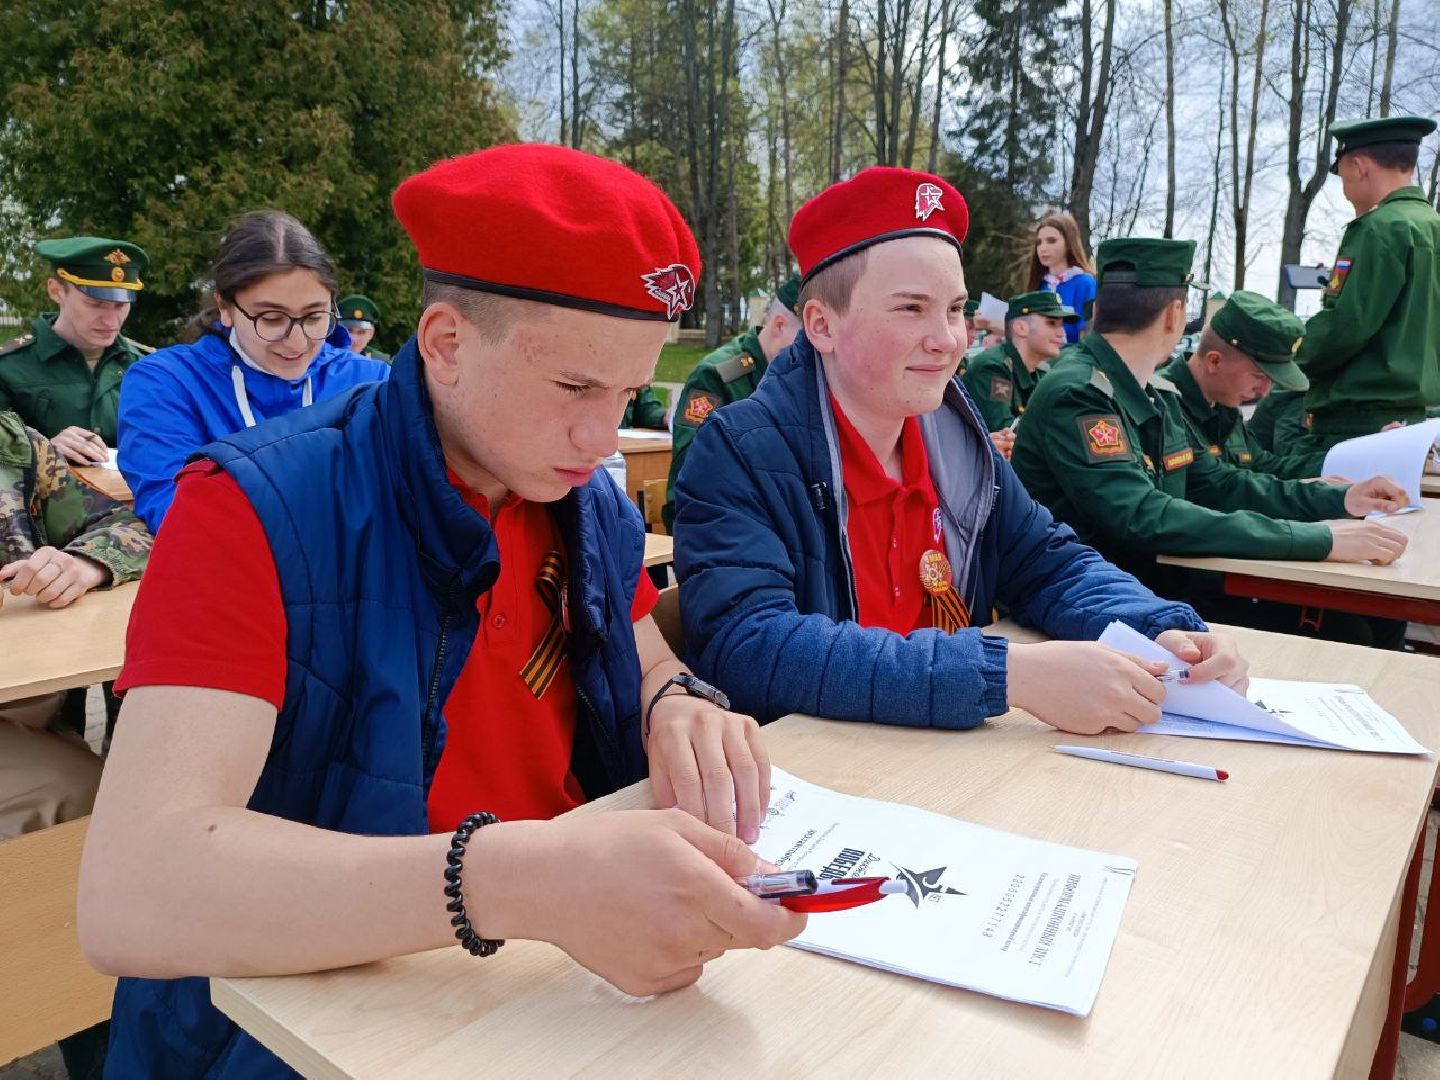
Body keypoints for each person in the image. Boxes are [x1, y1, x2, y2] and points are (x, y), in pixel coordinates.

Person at [78, 145, 804, 1078]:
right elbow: (135, 891)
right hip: (325, 1028)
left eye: (629, 394)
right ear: (446, 342)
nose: (602, 436)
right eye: (575, 387)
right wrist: (515, 880)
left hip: (559, 991)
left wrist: (677, 699)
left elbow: (635, 643)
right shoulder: (251, 509)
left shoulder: (581, 500)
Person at [672, 166, 1247, 739]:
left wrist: (1162, 629)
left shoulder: (953, 436)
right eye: (911, 309)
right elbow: (748, 647)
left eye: (954, 310)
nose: (947, 339)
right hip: (815, 790)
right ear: (821, 325)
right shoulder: (740, 451)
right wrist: (1006, 676)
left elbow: (1048, 561)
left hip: (953, 768)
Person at [1011, 238, 1409, 638]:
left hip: (1142, 593)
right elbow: (1144, 516)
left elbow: (1219, 482)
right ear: (1174, 314)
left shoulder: (1152, 392)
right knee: (1349, 632)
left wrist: (1338, 499)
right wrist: (1318, 538)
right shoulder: (1080, 393)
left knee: (1356, 627)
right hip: (1093, 606)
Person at [117, 212, 392, 530]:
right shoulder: (165, 384)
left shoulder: (372, 383)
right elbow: (182, 519)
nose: (297, 341)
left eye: (315, 316)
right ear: (225, 307)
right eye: (272, 318)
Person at [0, 408, 152, 839]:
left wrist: (85, 563)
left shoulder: (16, 447)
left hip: (33, 703)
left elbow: (127, 525)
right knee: (87, 794)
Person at [1290, 115, 1440, 463]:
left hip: (1359, 420)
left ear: (1358, 165)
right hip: (1414, 420)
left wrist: (1290, 352)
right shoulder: (1431, 225)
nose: (1342, 183)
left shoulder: (1380, 229)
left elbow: (1346, 323)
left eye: (1340, 170)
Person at [662, 273, 802, 528]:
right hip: (713, 515)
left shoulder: (798, 378)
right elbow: (691, 462)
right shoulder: (719, 374)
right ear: (780, 326)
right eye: (805, 342)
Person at [0, 237, 153, 466]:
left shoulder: (148, 365)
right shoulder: (8, 366)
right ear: (56, 291)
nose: (111, 320)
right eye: (95, 303)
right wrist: (42, 450)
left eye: (121, 305)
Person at [1158, 291, 1318, 479]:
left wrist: (1329, 467)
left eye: (1271, 381)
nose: (1264, 392)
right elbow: (1225, 487)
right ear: (1214, 362)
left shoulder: (1223, 407)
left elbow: (1261, 465)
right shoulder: (1162, 406)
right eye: (1259, 377)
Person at [960, 290, 1076, 437]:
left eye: (1062, 325)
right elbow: (1006, 434)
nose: (1062, 334)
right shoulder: (994, 368)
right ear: (1021, 327)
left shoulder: (1041, 371)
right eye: (1052, 323)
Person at [1027, 212, 1095, 344]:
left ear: (1069, 244)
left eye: (1051, 241)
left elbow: (1087, 335)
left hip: (1071, 360)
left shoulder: (1084, 283)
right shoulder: (1039, 285)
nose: (1043, 248)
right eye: (1039, 243)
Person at [1248, 388, 1308, 455]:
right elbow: (1285, 449)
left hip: (1255, 453)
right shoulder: (1299, 400)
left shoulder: (1293, 388)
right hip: (1257, 458)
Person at [338, 293, 391, 362]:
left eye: (361, 332)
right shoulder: (325, 359)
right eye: (349, 331)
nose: (354, 338)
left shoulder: (379, 363)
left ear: (371, 334)